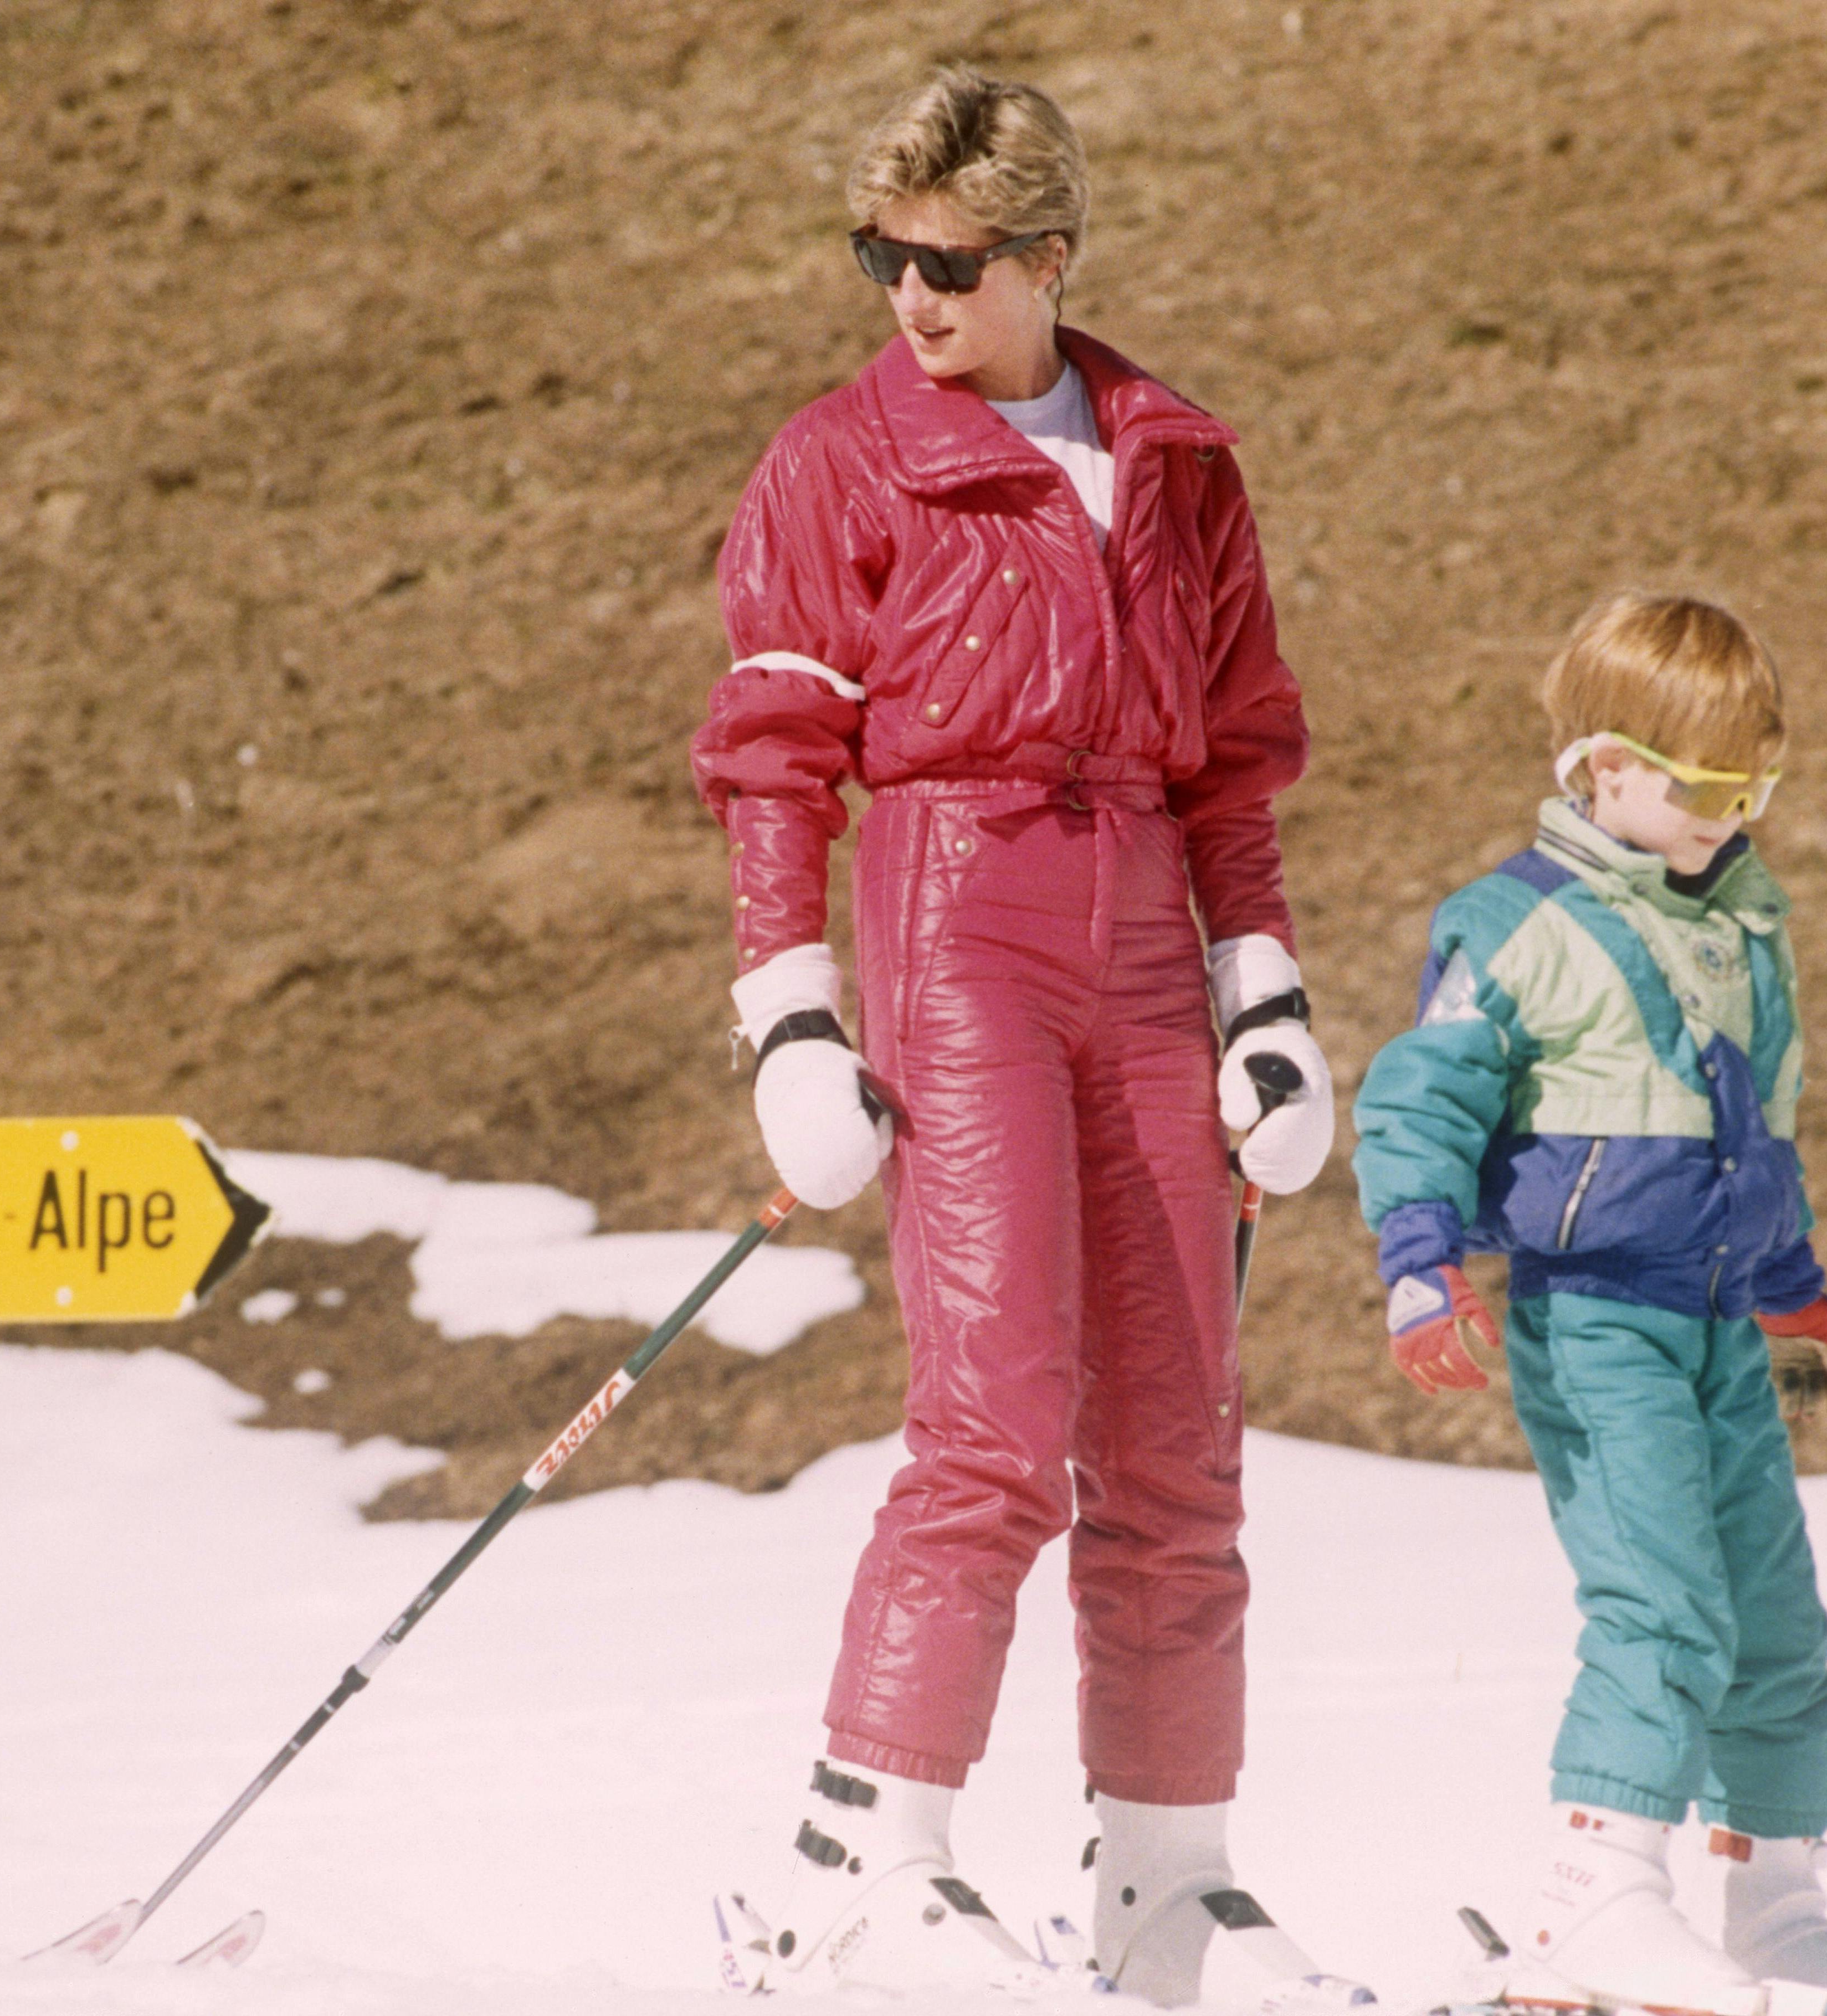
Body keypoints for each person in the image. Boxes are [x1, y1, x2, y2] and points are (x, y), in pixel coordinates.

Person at [694, 68, 1363, 2007]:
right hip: (957, 906)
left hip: (1139, 921)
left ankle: (1166, 1883)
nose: (908, 298)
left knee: (1176, 1441)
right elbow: (772, 755)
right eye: (880, 258)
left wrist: (1261, 993)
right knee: (993, 1421)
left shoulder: (1176, 464)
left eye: (949, 263)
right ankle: (859, 1857)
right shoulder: (841, 461)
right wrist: (789, 1012)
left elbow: (1232, 763)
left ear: (1048, 257)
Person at [1349, 594, 1827, 2014]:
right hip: (1596, 1320)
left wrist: (1792, 1288)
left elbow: (1755, 1135)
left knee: (1773, 1616)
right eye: (1700, 787)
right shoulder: (1517, 925)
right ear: (1599, 767)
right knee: (1662, 1597)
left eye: (1752, 788)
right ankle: (1594, 1891)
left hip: (1718, 1319)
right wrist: (1420, 1262)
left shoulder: (1739, 925)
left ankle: (1775, 1899)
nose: (1725, 816)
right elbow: (1418, 1101)